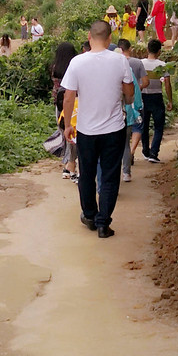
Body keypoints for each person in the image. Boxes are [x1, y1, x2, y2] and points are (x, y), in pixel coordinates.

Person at [60, 21, 135, 239]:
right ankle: (104, 224)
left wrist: (67, 126)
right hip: (114, 129)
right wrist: (125, 96)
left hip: (86, 131)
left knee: (87, 174)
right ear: (110, 38)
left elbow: (68, 96)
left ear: (89, 37)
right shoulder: (120, 60)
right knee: (110, 177)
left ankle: (90, 216)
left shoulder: (77, 62)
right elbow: (129, 92)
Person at [138, 38, 174, 163]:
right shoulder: (163, 65)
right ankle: (154, 152)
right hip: (157, 97)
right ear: (159, 51)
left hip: (143, 97)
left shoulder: (140, 63)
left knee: (144, 125)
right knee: (159, 126)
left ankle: (145, 151)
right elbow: (168, 85)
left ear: (147, 49)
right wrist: (170, 100)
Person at [118, 39, 148, 181]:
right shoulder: (129, 70)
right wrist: (136, 107)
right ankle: (126, 173)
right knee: (124, 144)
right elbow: (134, 91)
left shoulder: (103, 70)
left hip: (111, 115)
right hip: (127, 113)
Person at [50, 41, 78, 182]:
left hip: (58, 104)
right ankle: (69, 164)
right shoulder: (74, 67)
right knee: (73, 134)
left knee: (64, 132)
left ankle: (68, 163)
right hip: (73, 104)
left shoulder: (54, 67)